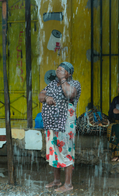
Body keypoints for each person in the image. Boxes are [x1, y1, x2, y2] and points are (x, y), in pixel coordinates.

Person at [38, 62, 81, 193]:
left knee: (65, 149)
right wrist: (47, 97)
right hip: (51, 123)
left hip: (65, 123)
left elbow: (69, 94)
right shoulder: (52, 83)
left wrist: (63, 80)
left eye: (62, 70)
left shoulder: (74, 83)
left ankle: (68, 184)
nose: (58, 71)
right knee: (53, 149)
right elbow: (40, 96)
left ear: (69, 73)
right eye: (58, 69)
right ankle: (57, 180)